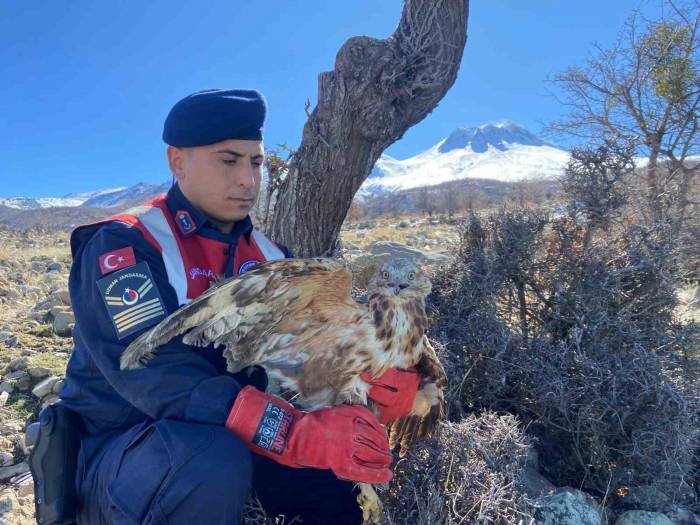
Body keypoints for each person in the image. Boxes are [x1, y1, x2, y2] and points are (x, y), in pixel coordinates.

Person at [59, 88, 421, 524]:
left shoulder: (275, 259)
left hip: (242, 439)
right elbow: (153, 372)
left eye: (256, 162)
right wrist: (287, 432)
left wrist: (368, 381)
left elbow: (300, 361)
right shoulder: (124, 244)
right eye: (228, 161)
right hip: (123, 451)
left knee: (334, 475)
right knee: (209, 460)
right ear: (178, 162)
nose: (248, 180)